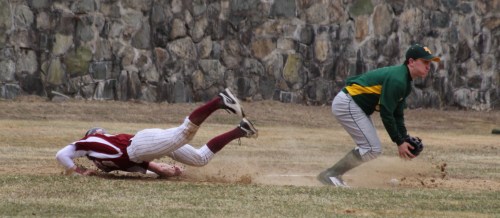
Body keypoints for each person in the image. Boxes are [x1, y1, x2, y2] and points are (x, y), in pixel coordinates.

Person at [55, 88, 258, 178]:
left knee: (184, 133)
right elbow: (143, 167)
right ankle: (241, 130)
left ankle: (219, 101)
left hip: (139, 145)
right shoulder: (103, 163)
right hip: (144, 149)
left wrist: (77, 171)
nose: (102, 132)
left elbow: (61, 155)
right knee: (200, 158)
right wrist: (165, 172)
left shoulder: (91, 140)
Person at [317, 44, 440, 187]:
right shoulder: (398, 80)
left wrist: (404, 137)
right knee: (372, 148)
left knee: (371, 148)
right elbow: (386, 113)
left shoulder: (405, 81)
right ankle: (330, 175)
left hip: (355, 105)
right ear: (411, 62)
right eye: (425, 61)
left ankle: (332, 174)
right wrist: (399, 142)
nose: (428, 66)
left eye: (429, 62)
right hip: (348, 103)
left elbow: (397, 114)